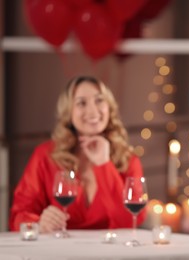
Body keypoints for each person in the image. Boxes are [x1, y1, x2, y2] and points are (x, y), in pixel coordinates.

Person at [9, 76, 146, 233]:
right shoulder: (45, 156)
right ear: (69, 111)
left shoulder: (129, 159)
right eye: (81, 103)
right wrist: (39, 224)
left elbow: (130, 222)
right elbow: (17, 216)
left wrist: (103, 164)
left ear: (109, 107)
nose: (93, 111)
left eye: (99, 100)